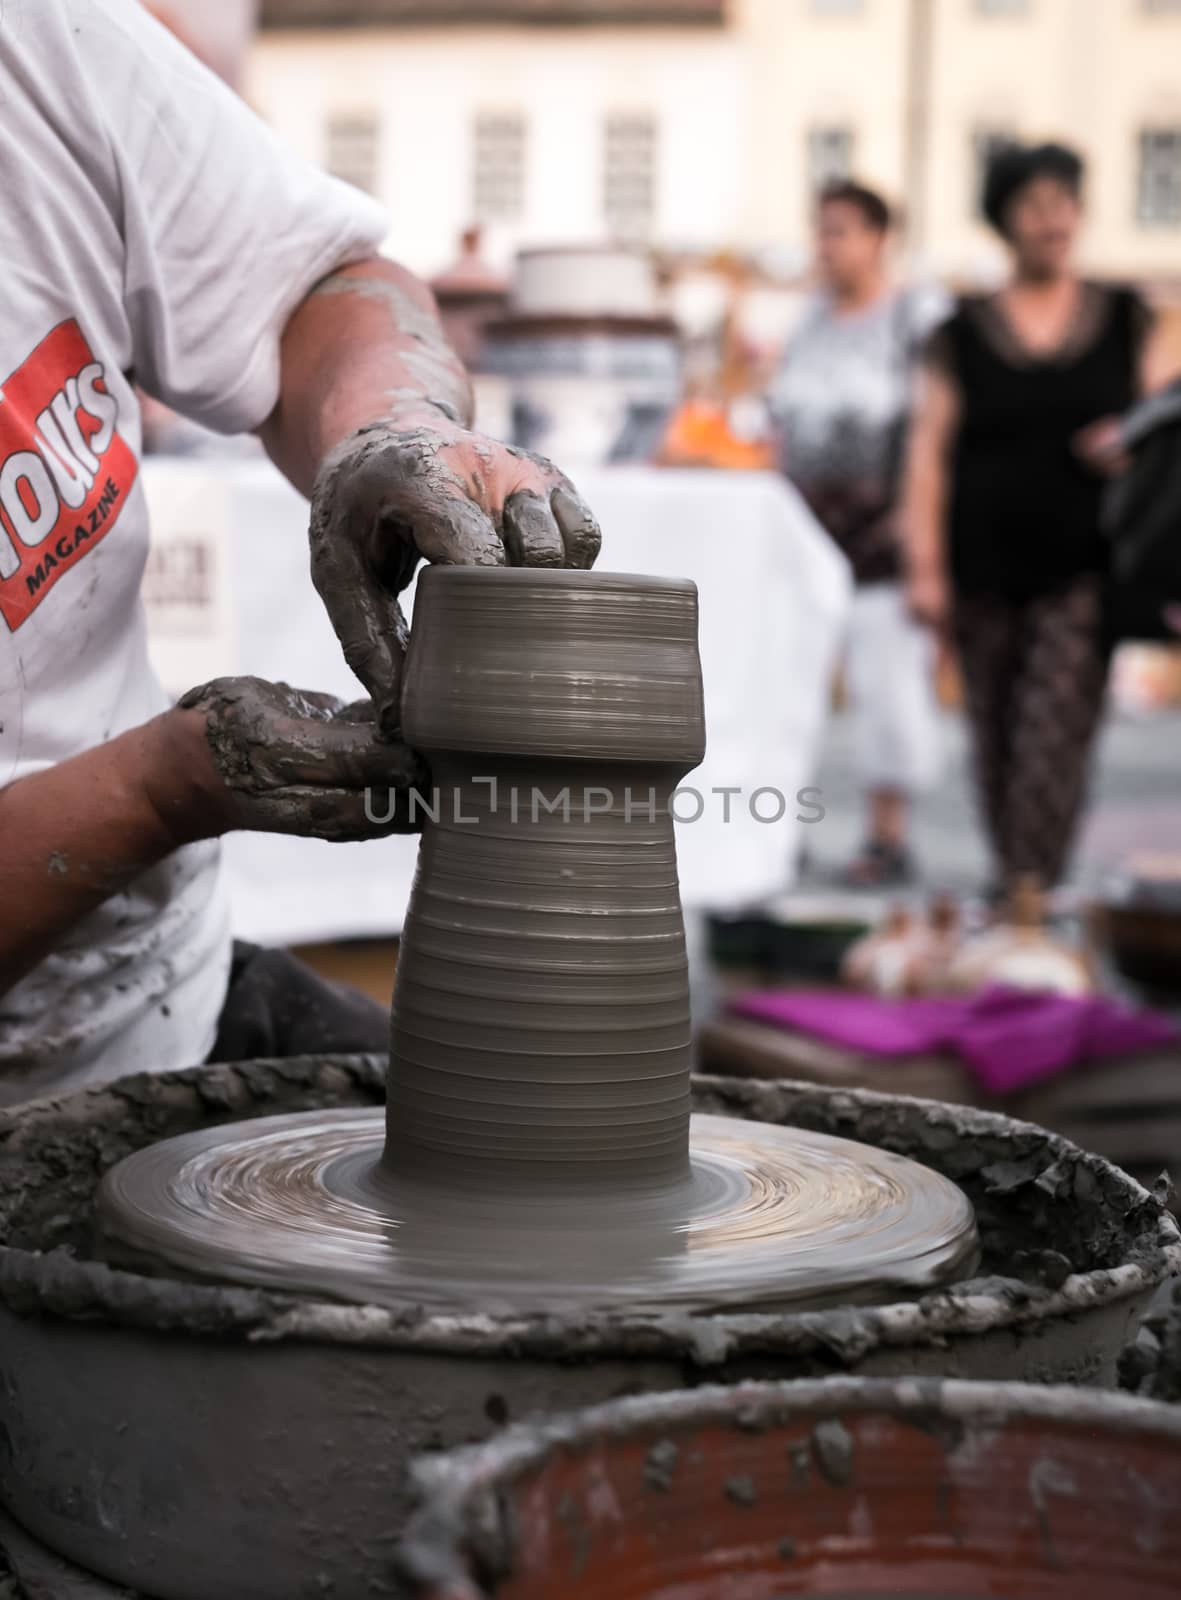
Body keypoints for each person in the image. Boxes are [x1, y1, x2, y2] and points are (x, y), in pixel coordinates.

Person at [0, 0, 600, 1106]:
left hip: (157, 993)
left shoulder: (35, 42)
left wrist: (390, 422)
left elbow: (313, 292)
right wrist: (158, 788)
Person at [903, 142, 1174, 898]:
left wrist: (1128, 437)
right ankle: (1015, 887)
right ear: (1004, 219)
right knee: (993, 739)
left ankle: (1028, 891)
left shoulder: (1126, 316)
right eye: (1033, 204)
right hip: (980, 562)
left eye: (1064, 203)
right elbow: (926, 453)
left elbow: (1160, 415)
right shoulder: (957, 330)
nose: (1052, 220)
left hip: (1086, 563)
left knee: (1053, 732)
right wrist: (923, 569)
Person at [769, 180, 946, 886]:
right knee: (791, 683)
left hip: (886, 536)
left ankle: (887, 835)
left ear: (878, 237)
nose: (826, 245)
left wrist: (925, 537)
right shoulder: (807, 321)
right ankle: (783, 828)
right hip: (810, 533)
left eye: (840, 230)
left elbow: (938, 430)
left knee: (888, 684)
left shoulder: (919, 317)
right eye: (820, 229)